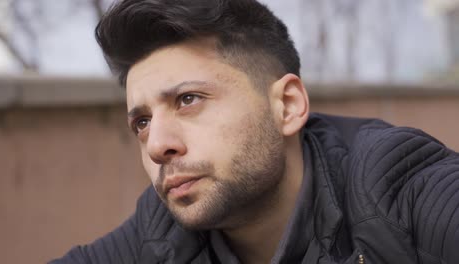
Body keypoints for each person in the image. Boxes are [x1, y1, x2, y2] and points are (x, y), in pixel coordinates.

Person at [51, 0, 459, 263]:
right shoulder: (162, 229)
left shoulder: (391, 183)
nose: (157, 145)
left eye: (188, 99)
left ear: (287, 106)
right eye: (142, 122)